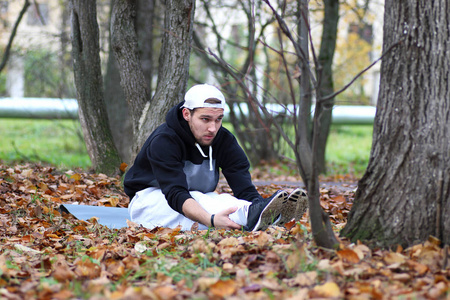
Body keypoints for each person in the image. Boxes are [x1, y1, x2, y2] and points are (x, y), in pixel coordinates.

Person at [124, 83, 307, 231]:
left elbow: (243, 189)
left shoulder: (224, 140)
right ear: (187, 114)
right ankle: (253, 217)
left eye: (218, 119)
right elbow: (175, 193)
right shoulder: (164, 140)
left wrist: (259, 203)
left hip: (197, 198)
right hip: (148, 202)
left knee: (225, 201)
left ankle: (265, 215)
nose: (213, 128)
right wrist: (211, 220)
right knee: (202, 200)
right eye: (205, 119)